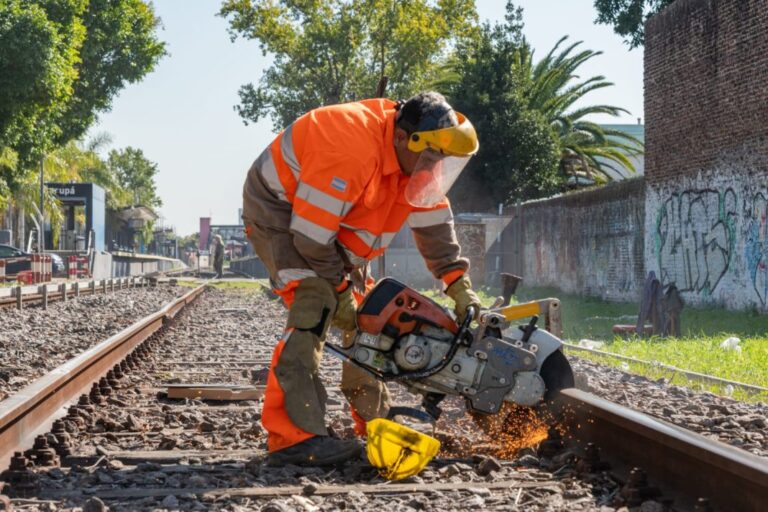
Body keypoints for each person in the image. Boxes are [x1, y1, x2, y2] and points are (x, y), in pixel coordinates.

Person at [242, 91, 482, 466]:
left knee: (372, 313)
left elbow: (434, 226)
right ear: (402, 138)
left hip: (328, 225)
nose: (434, 168)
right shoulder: (348, 147)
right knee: (315, 301)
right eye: (430, 158)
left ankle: (375, 422)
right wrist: (340, 291)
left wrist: (458, 285)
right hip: (280, 212)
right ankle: (292, 439)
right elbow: (310, 237)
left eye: (440, 160)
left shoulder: (415, 158)